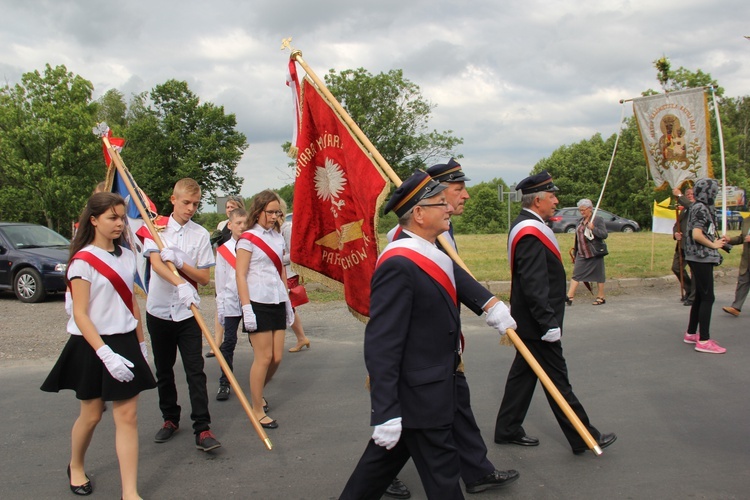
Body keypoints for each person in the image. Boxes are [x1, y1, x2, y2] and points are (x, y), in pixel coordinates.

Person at [340, 171, 518, 500]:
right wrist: (386, 410)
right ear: (419, 214)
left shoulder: (431, 251)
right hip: (417, 394)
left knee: (376, 472)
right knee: (442, 476)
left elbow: (455, 289)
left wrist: (490, 307)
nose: (449, 207)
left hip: (433, 389)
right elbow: (382, 343)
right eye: (440, 203)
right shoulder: (399, 263)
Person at [41, 192, 156, 499]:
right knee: (92, 414)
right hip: (93, 343)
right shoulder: (83, 261)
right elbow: (80, 313)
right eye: (112, 218)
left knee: (127, 416)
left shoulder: (128, 255)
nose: (120, 224)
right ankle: (75, 465)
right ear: (93, 220)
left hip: (125, 339)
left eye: (121, 218)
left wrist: (141, 345)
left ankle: (129, 492)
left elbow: (131, 301)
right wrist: (105, 354)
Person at [494, 170, 617, 455]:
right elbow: (534, 282)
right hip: (538, 321)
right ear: (538, 200)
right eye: (552, 196)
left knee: (524, 373)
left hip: (531, 318)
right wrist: (547, 322)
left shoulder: (527, 224)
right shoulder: (529, 231)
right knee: (556, 379)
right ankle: (585, 436)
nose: (556, 200)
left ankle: (507, 428)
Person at [144, 178, 221, 451]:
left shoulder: (200, 234)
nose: (190, 208)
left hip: (187, 312)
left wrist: (180, 263)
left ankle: (202, 427)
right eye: (186, 202)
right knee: (164, 370)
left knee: (195, 371)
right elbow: (155, 264)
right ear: (173, 199)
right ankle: (170, 419)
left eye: (196, 204)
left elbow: (202, 277)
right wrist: (178, 281)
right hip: (160, 311)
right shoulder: (155, 228)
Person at [236, 190, 294, 430]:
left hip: (277, 299)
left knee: (277, 357)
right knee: (264, 357)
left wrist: (288, 301)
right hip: (257, 301)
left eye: (277, 212)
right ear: (258, 211)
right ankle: (256, 408)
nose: (273, 217)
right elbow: (240, 273)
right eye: (269, 212)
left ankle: (257, 393)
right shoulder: (248, 238)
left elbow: (280, 269)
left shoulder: (278, 237)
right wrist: (246, 307)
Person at [682, 178, 728, 353]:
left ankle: (691, 332)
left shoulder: (698, 207)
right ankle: (704, 340)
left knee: (701, 296)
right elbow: (696, 234)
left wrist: (715, 241)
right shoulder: (701, 208)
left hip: (697, 256)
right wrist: (713, 245)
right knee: (708, 298)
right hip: (701, 257)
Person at [214, 207, 249, 401]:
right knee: (229, 342)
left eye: (245, 223)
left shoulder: (252, 246)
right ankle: (224, 381)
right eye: (238, 223)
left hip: (251, 300)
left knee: (257, 340)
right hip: (231, 301)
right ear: (230, 225)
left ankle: (258, 379)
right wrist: (220, 304)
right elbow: (220, 279)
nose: (242, 227)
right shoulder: (224, 250)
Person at [207, 194, 246, 358]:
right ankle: (217, 343)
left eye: (233, 207)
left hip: (245, 287)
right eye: (228, 207)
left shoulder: (246, 232)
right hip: (227, 272)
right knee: (229, 334)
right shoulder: (222, 224)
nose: (229, 209)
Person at [279, 199, 311, 353]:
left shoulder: (287, 229)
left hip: (289, 272)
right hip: (280, 272)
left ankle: (301, 337)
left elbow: (294, 254)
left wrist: (275, 258)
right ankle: (301, 338)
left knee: (288, 306)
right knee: (287, 306)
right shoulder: (275, 229)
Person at [565, 198, 608, 306]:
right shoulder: (579, 221)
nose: (582, 212)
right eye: (580, 210)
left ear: (590, 209)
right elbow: (577, 237)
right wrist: (575, 252)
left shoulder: (597, 219)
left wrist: (593, 228)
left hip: (594, 252)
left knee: (599, 275)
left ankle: (601, 296)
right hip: (581, 253)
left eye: (584, 210)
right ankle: (569, 296)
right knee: (576, 274)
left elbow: (604, 235)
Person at [672, 187, 696, 306]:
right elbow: (677, 224)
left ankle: (693, 296)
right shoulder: (685, 210)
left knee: (694, 271)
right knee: (676, 267)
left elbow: (691, 206)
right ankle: (690, 289)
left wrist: (679, 195)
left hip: (693, 245)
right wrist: (676, 233)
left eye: (692, 194)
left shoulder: (697, 207)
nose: (690, 195)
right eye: (688, 194)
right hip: (682, 245)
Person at [721, 215, 750, 317]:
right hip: (747, 259)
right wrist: (729, 239)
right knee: (743, 281)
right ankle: (736, 307)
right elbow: (742, 238)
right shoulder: (747, 221)